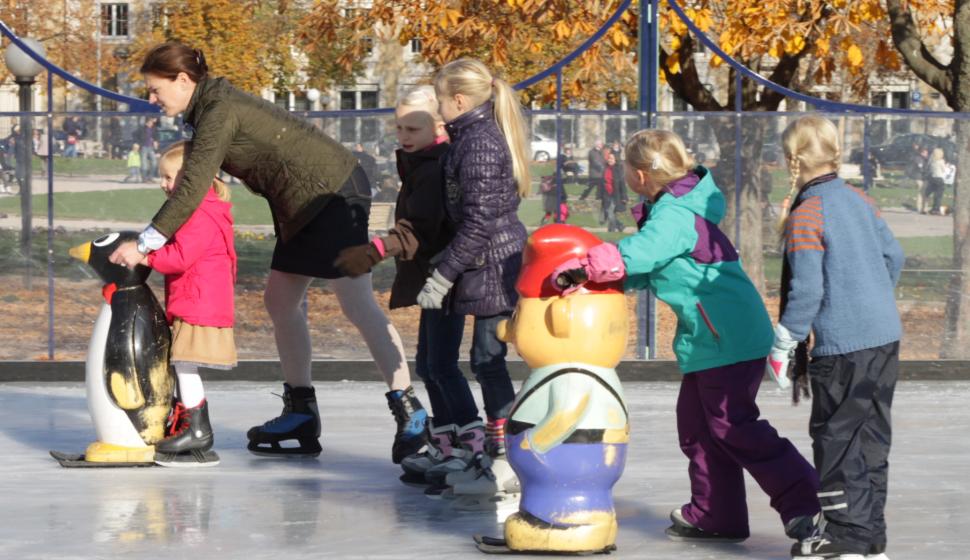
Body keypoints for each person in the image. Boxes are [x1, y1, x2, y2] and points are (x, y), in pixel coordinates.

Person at [108, 42, 426, 463]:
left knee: (355, 301)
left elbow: (193, 184)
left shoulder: (218, 111)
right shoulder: (211, 106)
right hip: (301, 205)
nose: (151, 99)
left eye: (155, 89)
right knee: (280, 300)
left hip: (331, 195)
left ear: (183, 81)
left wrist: (145, 243)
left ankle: (409, 411)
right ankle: (300, 410)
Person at [553, 128, 821, 547]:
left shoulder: (674, 214)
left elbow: (639, 253)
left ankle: (805, 501)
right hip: (709, 338)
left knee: (734, 427)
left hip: (728, 337)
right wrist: (600, 283)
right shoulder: (672, 209)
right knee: (697, 427)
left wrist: (585, 267)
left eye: (625, 166)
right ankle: (718, 513)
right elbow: (645, 267)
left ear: (641, 174)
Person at [335, 85, 487, 478]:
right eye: (399, 127)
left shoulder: (437, 166)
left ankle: (470, 442)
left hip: (447, 277)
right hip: (431, 278)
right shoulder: (419, 163)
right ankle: (446, 442)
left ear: (439, 126)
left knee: (441, 364)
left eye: (413, 128)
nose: (403, 136)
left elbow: (421, 229)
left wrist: (376, 249)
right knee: (428, 364)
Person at [773, 116, 903, 560]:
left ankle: (845, 538)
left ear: (792, 158)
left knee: (837, 437)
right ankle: (869, 537)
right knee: (870, 438)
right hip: (884, 338)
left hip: (843, 346)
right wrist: (872, 297)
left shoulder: (808, 212)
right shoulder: (861, 200)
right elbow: (894, 256)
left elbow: (807, 290)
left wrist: (785, 341)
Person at [412, 57, 530, 486]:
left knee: (488, 360)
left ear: (458, 100)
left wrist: (443, 274)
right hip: (481, 262)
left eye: (441, 101)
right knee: (476, 361)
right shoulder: (469, 137)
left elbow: (478, 221)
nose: (438, 110)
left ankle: (507, 455)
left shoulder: (479, 142)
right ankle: (489, 451)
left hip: (494, 264)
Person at [132, 141, 236, 467]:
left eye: (168, 177)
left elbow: (180, 257)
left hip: (198, 301)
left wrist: (145, 256)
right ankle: (188, 424)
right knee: (182, 363)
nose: (163, 184)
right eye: (162, 177)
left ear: (191, 178)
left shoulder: (199, 213)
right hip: (197, 298)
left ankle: (197, 429)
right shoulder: (202, 208)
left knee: (185, 363)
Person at [601, 150, 627, 232]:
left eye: (612, 158)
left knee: (610, 212)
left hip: (615, 194)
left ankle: (614, 228)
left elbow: (622, 183)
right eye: (609, 158)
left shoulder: (618, 169)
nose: (609, 160)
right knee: (607, 211)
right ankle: (619, 226)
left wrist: (624, 196)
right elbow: (602, 181)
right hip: (606, 193)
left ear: (615, 160)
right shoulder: (605, 168)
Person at [924, 147, 947, 215]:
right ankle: (936, 209)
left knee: (933, 194)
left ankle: (933, 208)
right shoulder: (941, 161)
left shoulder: (931, 161)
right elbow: (944, 170)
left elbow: (930, 169)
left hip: (933, 178)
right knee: (939, 195)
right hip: (939, 179)